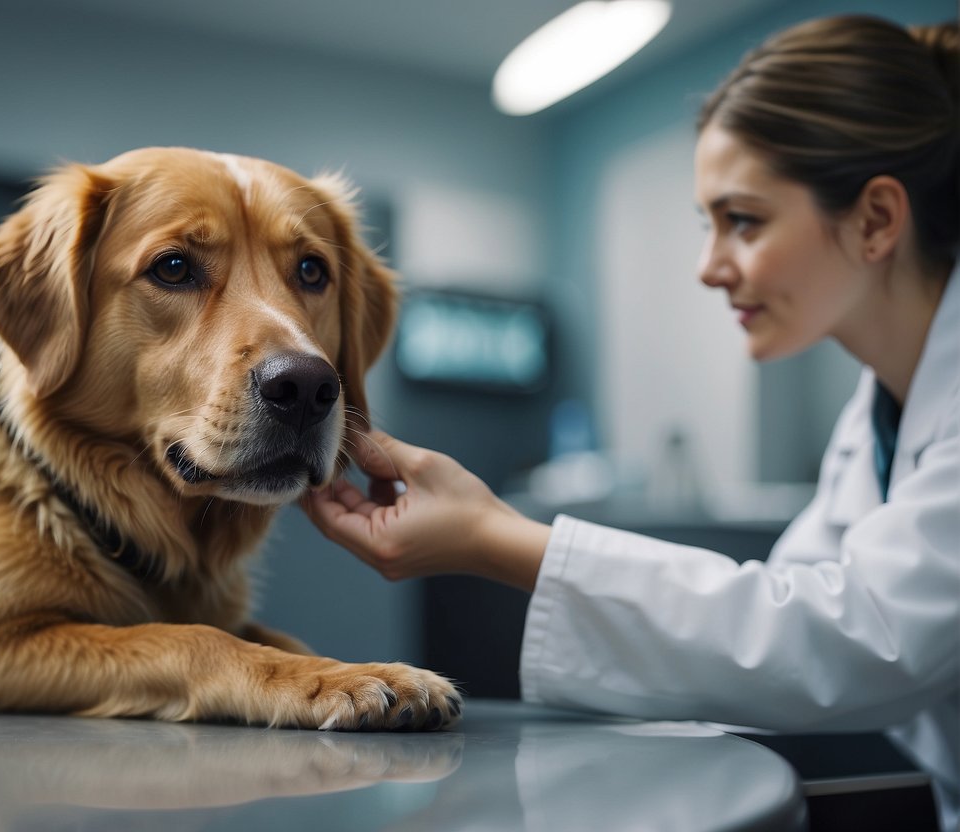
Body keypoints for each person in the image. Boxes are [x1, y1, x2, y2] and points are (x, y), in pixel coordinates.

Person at [302, 14, 959, 830]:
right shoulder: (880, 413)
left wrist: (495, 538)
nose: (709, 266)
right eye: (707, 224)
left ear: (874, 220)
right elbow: (775, 637)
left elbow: (852, 644)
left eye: (743, 220)